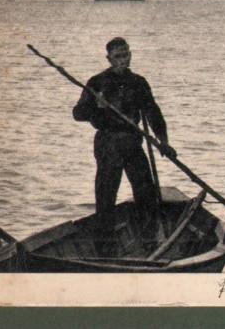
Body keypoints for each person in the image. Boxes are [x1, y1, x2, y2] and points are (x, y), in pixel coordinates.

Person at [73, 37, 176, 255]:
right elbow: (78, 114)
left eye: (126, 55)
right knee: (106, 196)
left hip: (131, 142)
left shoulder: (138, 83)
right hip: (108, 144)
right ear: (109, 58)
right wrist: (97, 107)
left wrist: (163, 142)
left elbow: (153, 114)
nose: (123, 60)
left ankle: (149, 242)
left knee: (146, 192)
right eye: (118, 56)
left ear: (130, 55)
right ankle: (105, 249)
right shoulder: (97, 83)